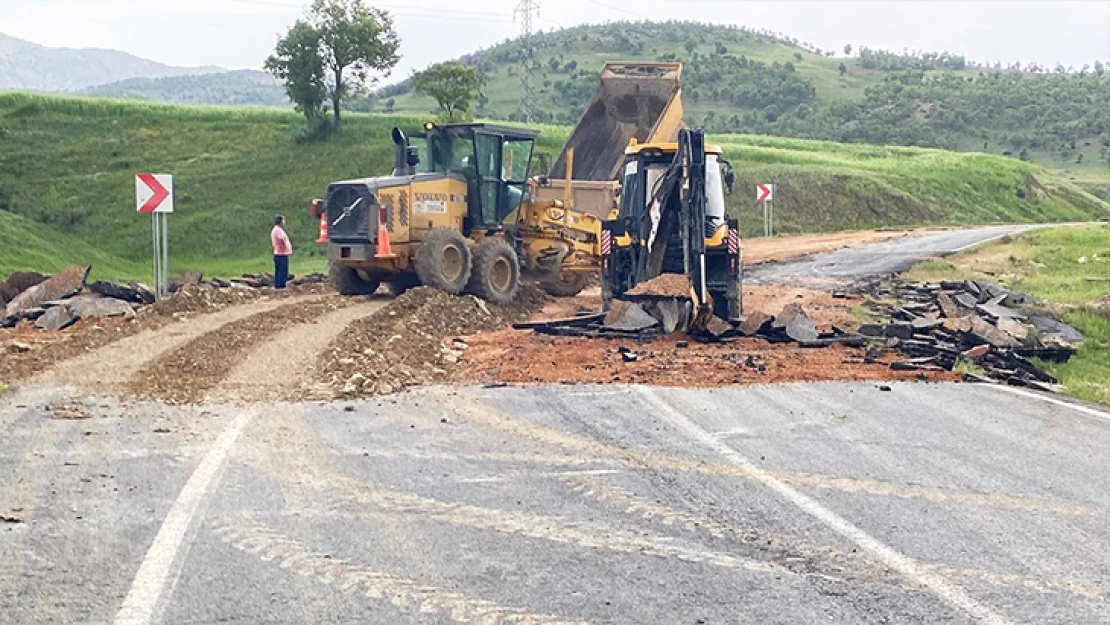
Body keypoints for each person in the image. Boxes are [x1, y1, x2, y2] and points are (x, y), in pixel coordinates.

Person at [271, 215, 293, 289]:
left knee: (279, 270)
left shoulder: (276, 230)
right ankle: (281, 285)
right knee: (282, 270)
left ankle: (278, 284)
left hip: (279, 253)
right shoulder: (278, 230)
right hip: (281, 253)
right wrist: (284, 246)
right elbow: (281, 239)